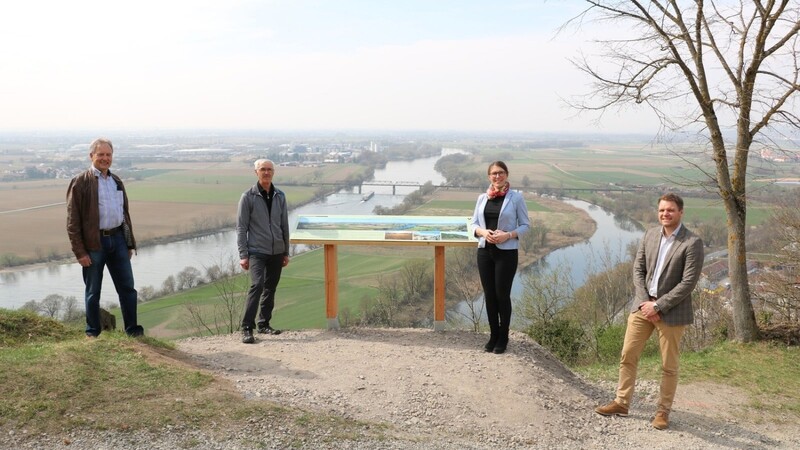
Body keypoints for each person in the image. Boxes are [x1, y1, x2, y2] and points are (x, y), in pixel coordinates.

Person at [595, 193, 704, 430]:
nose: (665, 214)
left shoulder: (692, 242)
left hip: (672, 312)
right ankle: (622, 403)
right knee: (628, 354)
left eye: (670, 210)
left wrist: (659, 306)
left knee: (668, 365)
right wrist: (646, 302)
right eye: (662, 210)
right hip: (642, 307)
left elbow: (688, 283)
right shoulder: (650, 234)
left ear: (680, 212)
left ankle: (663, 412)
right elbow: (638, 270)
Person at [66, 138, 144, 338]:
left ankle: (133, 331)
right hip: (94, 244)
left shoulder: (116, 181)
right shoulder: (80, 182)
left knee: (128, 288)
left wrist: (128, 243)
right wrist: (80, 252)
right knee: (93, 291)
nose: (105, 158)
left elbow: (124, 214)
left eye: (108, 155)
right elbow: (72, 222)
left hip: (117, 239)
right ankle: (93, 333)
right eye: (100, 154)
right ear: (91, 156)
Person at [470, 161, 530, 354]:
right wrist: (482, 231)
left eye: (501, 173)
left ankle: (503, 337)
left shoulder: (516, 198)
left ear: (507, 174)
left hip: (506, 252)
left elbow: (525, 225)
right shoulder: (482, 198)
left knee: (502, 296)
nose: (498, 176)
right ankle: (493, 335)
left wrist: (508, 235)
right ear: (489, 177)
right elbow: (472, 224)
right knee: (489, 296)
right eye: (494, 173)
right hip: (485, 252)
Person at [237, 159, 290, 344]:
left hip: (277, 251)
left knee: (270, 288)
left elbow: (284, 225)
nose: (266, 172)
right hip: (257, 251)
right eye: (263, 169)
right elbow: (242, 228)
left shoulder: (280, 196)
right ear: (256, 172)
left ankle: (264, 324)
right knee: (257, 285)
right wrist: (243, 255)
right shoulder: (248, 197)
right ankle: (246, 328)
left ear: (273, 172)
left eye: (269, 170)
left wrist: (286, 251)